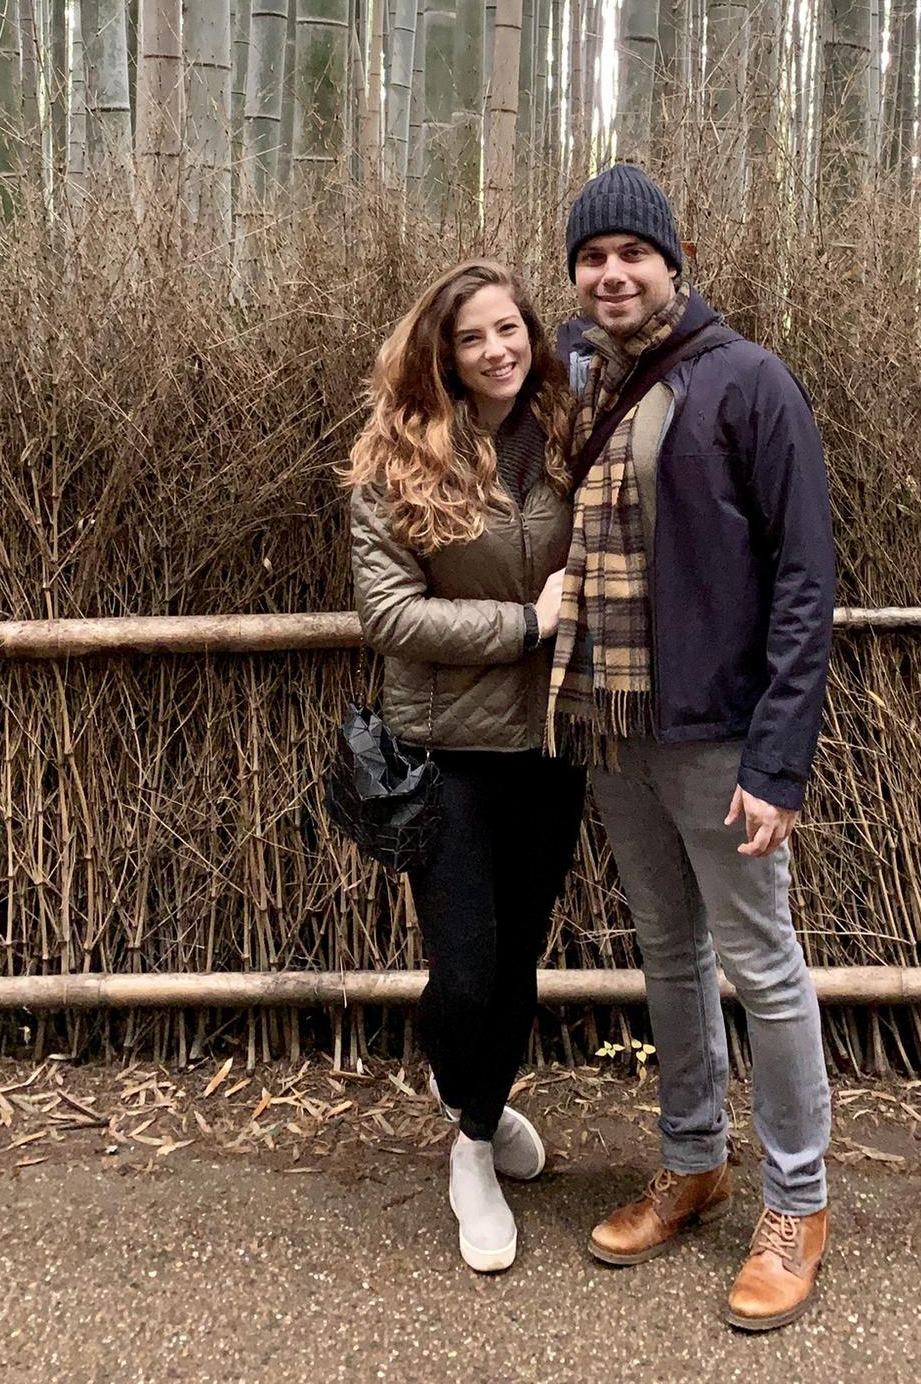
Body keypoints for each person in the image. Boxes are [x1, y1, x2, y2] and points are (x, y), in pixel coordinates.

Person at [549, 164, 837, 1334]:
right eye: (592, 256)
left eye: (634, 252)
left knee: (762, 963)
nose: (612, 273)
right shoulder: (574, 381)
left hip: (718, 731)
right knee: (669, 951)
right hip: (613, 724)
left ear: (675, 262)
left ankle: (798, 1201)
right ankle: (692, 1158)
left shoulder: (748, 381)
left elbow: (806, 579)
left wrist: (779, 759)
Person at [346, 261, 585, 1275]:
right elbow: (391, 615)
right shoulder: (396, 458)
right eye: (473, 336)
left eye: (509, 328)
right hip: (446, 752)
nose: (497, 350)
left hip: (552, 746)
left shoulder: (572, 434)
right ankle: (469, 1118)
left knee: (520, 955)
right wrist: (529, 622)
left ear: (532, 332)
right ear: (441, 353)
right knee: (466, 969)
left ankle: (476, 1130)